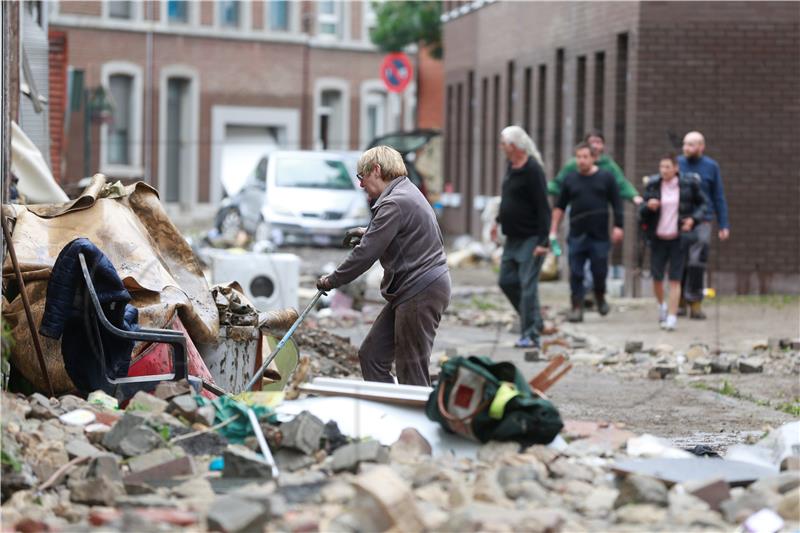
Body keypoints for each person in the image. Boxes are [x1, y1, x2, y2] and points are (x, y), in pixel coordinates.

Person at [316, 146, 450, 386]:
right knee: (372, 356)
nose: (360, 185)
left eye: (361, 177)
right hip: (413, 290)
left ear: (376, 170)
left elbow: (366, 254)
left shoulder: (395, 202)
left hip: (419, 290)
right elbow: (394, 234)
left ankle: (416, 421)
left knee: (411, 370)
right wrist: (368, 232)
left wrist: (331, 280)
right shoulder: (404, 194)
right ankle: (392, 412)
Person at [548, 130, 642, 308]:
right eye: (579, 157)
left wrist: (619, 225)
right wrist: (553, 229)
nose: (582, 160)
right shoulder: (570, 175)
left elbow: (618, 197)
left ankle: (599, 295)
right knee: (575, 271)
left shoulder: (607, 174)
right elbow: (559, 203)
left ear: (594, 157)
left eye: (585, 157)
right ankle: (576, 306)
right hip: (576, 232)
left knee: (599, 270)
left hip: (599, 233)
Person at [490, 126, 551, 349]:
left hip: (532, 238)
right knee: (506, 281)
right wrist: (497, 221)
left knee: (528, 286)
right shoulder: (511, 166)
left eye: (504, 143)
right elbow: (508, 197)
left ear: (514, 146)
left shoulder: (533, 169)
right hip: (512, 237)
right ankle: (535, 321)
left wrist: (544, 241)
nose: (501, 147)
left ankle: (531, 333)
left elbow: (544, 207)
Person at [640, 153, 708, 330]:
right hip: (658, 238)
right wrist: (648, 206)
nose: (664, 171)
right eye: (661, 167)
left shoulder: (688, 184)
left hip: (678, 238)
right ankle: (662, 305)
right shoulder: (654, 184)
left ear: (676, 168)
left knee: (675, 279)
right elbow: (642, 211)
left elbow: (703, 205)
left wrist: (692, 219)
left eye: (667, 167)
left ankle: (672, 316)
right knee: (657, 277)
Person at [678, 131, 730, 319]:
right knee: (680, 261)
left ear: (701, 146)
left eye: (691, 145)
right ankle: (679, 301)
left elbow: (718, 196)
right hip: (680, 221)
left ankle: (695, 301)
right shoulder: (678, 164)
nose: (687, 148)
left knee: (697, 261)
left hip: (703, 221)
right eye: (685, 144)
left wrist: (724, 224)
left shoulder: (711, 167)